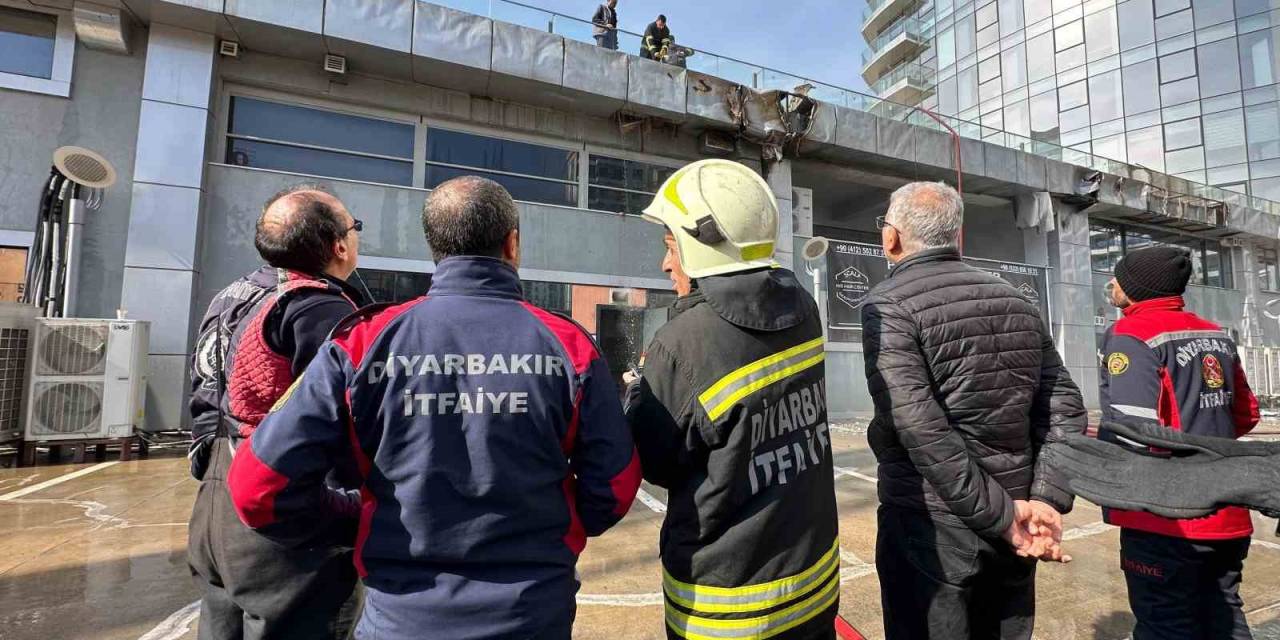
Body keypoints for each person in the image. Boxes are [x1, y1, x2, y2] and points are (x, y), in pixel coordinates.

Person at [226, 176, 642, 640]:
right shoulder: (569, 347)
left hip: (400, 616)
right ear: (513, 244)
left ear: (436, 248)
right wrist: (551, 530)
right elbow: (617, 485)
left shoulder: (362, 343)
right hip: (532, 612)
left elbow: (257, 488)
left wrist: (355, 519)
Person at [624, 159, 840, 639]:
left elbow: (653, 463)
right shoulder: (802, 307)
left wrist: (642, 389)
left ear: (702, 244)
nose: (666, 264)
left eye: (670, 246)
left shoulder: (682, 345)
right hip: (815, 584)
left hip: (726, 608)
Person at [860, 181, 1085, 640]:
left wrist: (1004, 516)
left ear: (892, 238)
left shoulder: (889, 304)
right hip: (1017, 514)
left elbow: (917, 426)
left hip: (934, 523)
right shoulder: (1016, 298)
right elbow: (1064, 407)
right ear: (955, 237)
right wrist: (1042, 499)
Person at [186, 184, 366, 639]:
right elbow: (344, 419)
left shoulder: (232, 294)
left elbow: (203, 399)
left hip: (215, 503)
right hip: (282, 514)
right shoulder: (315, 306)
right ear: (339, 245)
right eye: (354, 227)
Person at [1093, 246, 1259, 640]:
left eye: (1117, 278)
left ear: (1135, 287)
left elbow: (1134, 432)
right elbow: (1246, 415)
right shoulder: (1214, 333)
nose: (1111, 285)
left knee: (1165, 625)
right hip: (1226, 510)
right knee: (1225, 617)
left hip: (1165, 517)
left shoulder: (1129, 334)